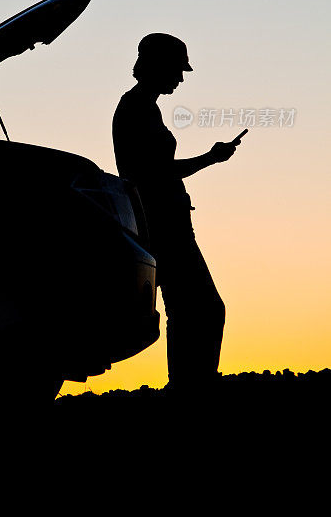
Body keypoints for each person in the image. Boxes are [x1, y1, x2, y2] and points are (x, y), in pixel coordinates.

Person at [112, 33, 241, 396]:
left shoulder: (142, 107)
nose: (181, 79)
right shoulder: (136, 108)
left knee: (188, 311)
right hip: (163, 226)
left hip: (164, 223)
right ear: (159, 66)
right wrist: (210, 159)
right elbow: (154, 171)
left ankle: (187, 386)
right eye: (177, 70)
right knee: (205, 309)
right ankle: (193, 387)